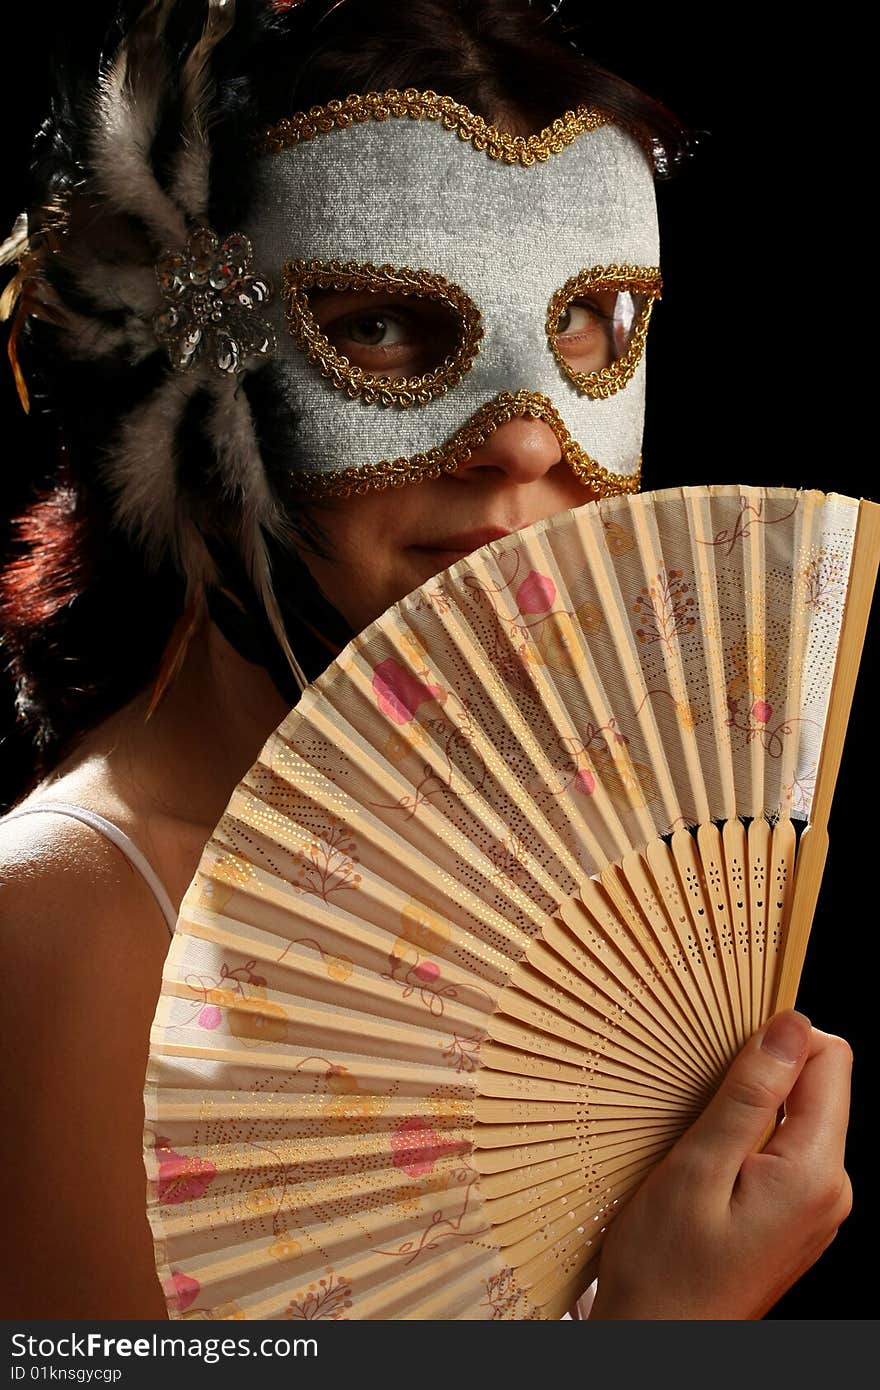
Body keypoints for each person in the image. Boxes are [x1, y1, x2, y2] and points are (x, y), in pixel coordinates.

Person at [0, 0, 852, 1321]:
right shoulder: (57, 931)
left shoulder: (573, 875)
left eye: (591, 324)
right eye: (390, 326)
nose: (520, 442)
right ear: (194, 394)